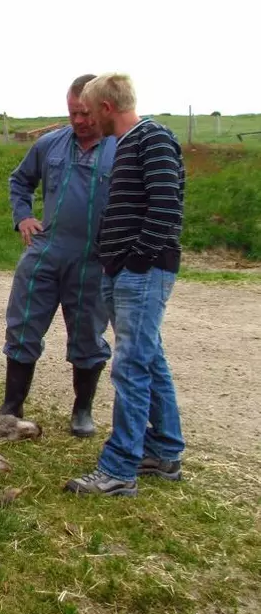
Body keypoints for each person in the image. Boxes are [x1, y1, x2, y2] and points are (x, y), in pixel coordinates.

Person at [65, 73, 185, 496]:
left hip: (142, 272)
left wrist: (136, 260)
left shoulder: (152, 139)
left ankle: (119, 469)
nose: (88, 119)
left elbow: (167, 206)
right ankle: (165, 451)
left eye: (90, 110)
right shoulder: (131, 143)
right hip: (125, 270)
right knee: (150, 359)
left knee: (130, 366)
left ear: (106, 108)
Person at [0, 75, 116, 436]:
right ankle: (11, 406)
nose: (79, 121)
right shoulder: (49, 145)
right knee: (23, 326)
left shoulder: (122, 148)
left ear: (101, 108)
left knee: (87, 337)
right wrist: (23, 217)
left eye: (85, 113)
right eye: (72, 113)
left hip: (93, 259)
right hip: (46, 251)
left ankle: (82, 411)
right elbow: (20, 181)